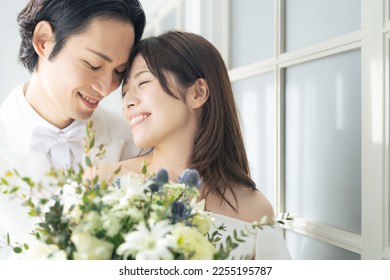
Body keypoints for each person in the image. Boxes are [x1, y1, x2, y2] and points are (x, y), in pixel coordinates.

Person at [103, 30, 291, 259]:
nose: (128, 102)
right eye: (124, 93)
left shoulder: (254, 210)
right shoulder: (106, 182)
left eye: (143, 82)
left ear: (198, 92)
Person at [0, 0, 145, 259]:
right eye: (93, 64)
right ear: (44, 40)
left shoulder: (132, 141)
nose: (105, 87)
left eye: (119, 72)